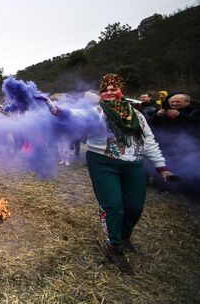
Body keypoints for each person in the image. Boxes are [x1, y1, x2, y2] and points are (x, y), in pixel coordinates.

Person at [49, 74, 175, 274]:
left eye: (113, 88)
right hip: (103, 163)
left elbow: (148, 141)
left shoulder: (138, 116)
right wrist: (58, 110)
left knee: (135, 206)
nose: (108, 92)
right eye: (105, 89)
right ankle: (114, 246)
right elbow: (78, 115)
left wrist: (162, 167)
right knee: (113, 206)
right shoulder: (97, 111)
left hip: (134, 164)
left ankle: (124, 236)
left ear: (122, 91)